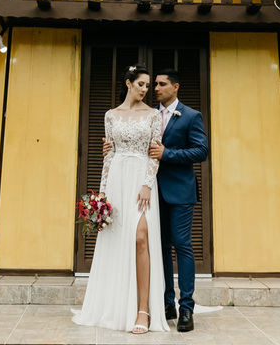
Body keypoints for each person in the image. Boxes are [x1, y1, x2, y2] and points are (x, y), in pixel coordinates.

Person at [73, 66, 168, 334]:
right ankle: (115, 305)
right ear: (128, 83)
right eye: (141, 84)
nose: (145, 89)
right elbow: (109, 155)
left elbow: (154, 153)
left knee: (140, 238)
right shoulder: (110, 115)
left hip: (141, 181)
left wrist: (147, 185)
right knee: (116, 242)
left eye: (148, 85)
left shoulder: (153, 115)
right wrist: (102, 195)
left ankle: (143, 310)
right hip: (116, 179)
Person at [150, 68, 208, 332]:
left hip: (181, 193)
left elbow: (201, 151)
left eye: (162, 84)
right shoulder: (149, 115)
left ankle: (186, 308)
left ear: (175, 87)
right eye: (155, 84)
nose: (156, 88)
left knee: (182, 246)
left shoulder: (191, 116)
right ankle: (166, 303)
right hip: (153, 192)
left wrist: (168, 154)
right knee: (161, 247)